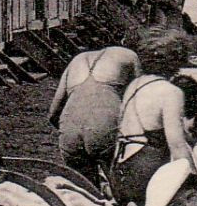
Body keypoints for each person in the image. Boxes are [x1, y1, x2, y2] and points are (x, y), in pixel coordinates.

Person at [108, 35, 197, 206]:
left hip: (119, 173)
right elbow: (177, 146)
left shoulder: (135, 85)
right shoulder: (170, 92)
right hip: (144, 173)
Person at [47, 45, 139, 183]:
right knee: (121, 186)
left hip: (70, 129)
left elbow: (53, 113)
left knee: (84, 190)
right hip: (106, 124)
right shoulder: (128, 55)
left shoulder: (76, 60)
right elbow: (141, 98)